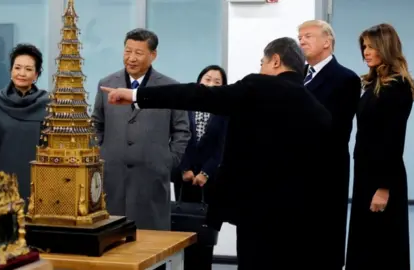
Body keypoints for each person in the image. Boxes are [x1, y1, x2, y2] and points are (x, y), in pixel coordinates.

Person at [101, 37, 334, 269]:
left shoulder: (258, 87)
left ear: (275, 61)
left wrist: (136, 95)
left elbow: (200, 95)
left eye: (262, 62)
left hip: (255, 209)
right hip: (300, 213)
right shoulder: (318, 110)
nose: (260, 68)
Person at [91, 28, 191, 230]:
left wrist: (167, 161)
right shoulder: (106, 84)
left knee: (151, 241)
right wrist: (100, 153)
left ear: (153, 55)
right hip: (112, 177)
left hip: (152, 177)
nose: (131, 58)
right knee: (110, 240)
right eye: (128, 51)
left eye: (138, 52)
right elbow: (96, 124)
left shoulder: (169, 88)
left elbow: (182, 131)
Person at [345, 23, 414, 270]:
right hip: (367, 173)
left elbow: (393, 139)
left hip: (382, 177)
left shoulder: (396, 87)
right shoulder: (376, 84)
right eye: (364, 46)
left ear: (386, 48)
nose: (366, 51)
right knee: (366, 244)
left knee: (381, 248)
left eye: (372, 46)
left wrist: (384, 187)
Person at [298, 19, 362, 269]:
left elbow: (337, 130)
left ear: (327, 42)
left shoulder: (345, 79)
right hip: (294, 172)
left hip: (325, 171)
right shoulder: (296, 76)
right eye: (300, 36)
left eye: (308, 36)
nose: (302, 40)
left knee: (324, 241)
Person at [172, 65, 228, 270]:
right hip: (183, 177)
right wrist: (184, 168)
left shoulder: (225, 111)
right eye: (207, 79)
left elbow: (223, 145)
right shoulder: (185, 107)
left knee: (205, 233)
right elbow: (178, 138)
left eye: (217, 81)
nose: (211, 84)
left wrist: (206, 172)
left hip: (211, 180)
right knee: (181, 231)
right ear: (199, 82)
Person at [0, 43, 49, 203]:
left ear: (36, 75)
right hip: (4, 183)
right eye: (17, 68)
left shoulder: (47, 104)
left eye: (28, 69)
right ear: (10, 71)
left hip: (40, 182)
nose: (22, 73)